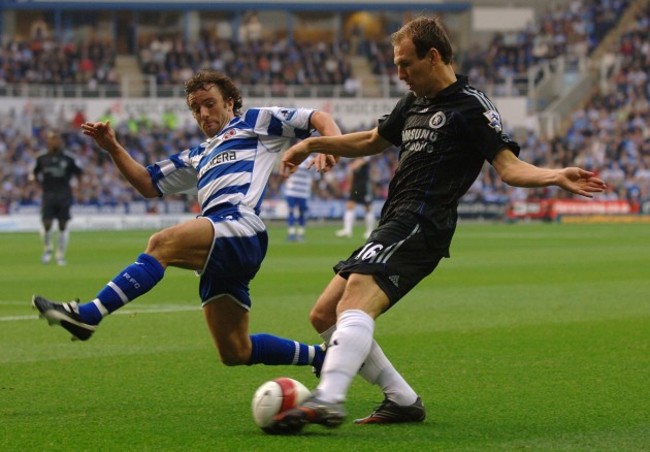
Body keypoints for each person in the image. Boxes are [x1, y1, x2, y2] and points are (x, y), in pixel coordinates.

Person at [268, 16, 607, 433]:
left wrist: (555, 174)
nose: (399, 74)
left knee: (354, 298)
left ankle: (327, 399)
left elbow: (509, 167)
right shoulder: (414, 103)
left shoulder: (470, 105)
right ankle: (403, 401)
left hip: (424, 222)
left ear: (433, 56)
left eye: (405, 64)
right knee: (324, 314)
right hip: (394, 220)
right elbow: (372, 141)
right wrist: (310, 143)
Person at [32, 70, 341, 375]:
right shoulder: (197, 155)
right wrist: (113, 147)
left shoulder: (253, 122)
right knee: (235, 350)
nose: (203, 113)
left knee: (161, 243)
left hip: (240, 225)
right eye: (196, 108)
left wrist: (331, 145)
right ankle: (319, 357)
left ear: (230, 102)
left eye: (209, 103)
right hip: (220, 244)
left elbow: (317, 118)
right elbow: (147, 184)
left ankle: (90, 314)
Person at [32, 130, 83, 266]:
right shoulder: (41, 158)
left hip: (64, 195)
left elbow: (79, 173)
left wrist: (78, 189)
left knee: (62, 225)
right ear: (48, 142)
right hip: (48, 195)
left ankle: (60, 254)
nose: (54, 142)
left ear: (60, 141)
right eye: (51, 139)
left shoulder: (69, 158)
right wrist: (37, 186)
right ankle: (48, 248)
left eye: (56, 139)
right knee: (47, 224)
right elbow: (33, 174)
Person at [335, 156, 375, 239]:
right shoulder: (354, 157)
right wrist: (349, 185)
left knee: (367, 207)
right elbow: (351, 172)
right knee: (349, 205)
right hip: (356, 186)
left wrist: (351, 166)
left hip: (364, 185)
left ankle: (370, 231)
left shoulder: (366, 155)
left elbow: (355, 165)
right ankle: (347, 230)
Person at [284, 159, 315, 242]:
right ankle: (291, 233)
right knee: (291, 212)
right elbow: (286, 172)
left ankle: (301, 233)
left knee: (302, 213)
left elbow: (313, 176)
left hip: (303, 192)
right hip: (292, 191)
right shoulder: (294, 157)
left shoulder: (311, 160)